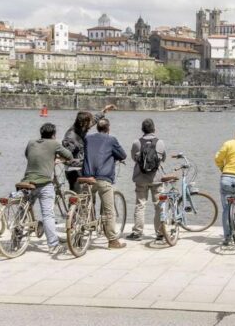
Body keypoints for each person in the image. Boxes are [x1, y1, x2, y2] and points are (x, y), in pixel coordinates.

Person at [21, 122, 73, 254]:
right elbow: (69, 156)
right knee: (48, 214)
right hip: (44, 183)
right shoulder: (54, 143)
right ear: (54, 135)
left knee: (23, 210)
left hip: (27, 180)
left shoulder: (31, 142)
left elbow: (28, 155)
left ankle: (16, 239)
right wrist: (56, 158)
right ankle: (53, 245)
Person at [82, 118, 128, 249]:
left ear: (97, 128)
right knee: (109, 211)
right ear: (108, 128)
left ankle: (81, 232)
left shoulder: (88, 139)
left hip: (87, 178)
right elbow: (123, 155)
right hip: (103, 178)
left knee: (85, 205)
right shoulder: (111, 140)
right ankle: (113, 240)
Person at [127, 118, 167, 241]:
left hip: (140, 178)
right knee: (159, 205)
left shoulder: (136, 143)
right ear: (154, 128)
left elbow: (134, 158)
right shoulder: (160, 142)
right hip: (156, 178)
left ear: (142, 129)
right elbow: (163, 159)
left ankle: (138, 232)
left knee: (140, 205)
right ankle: (160, 232)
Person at [62, 105, 116, 193]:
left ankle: (86, 204)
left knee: (85, 195)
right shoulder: (70, 137)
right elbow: (66, 157)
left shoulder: (81, 128)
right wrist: (84, 161)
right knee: (77, 196)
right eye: (88, 121)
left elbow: (94, 120)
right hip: (74, 170)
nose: (90, 124)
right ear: (82, 123)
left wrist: (104, 111)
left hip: (81, 168)